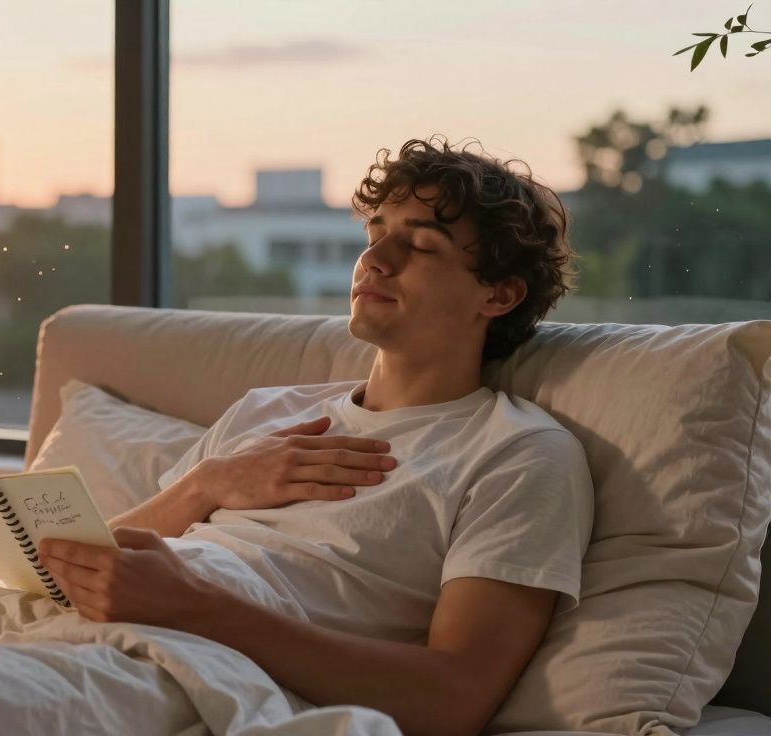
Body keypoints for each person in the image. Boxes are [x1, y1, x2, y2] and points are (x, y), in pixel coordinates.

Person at [39, 136, 594, 736]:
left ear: (499, 293)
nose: (375, 258)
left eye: (420, 243)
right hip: (68, 625)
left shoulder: (517, 454)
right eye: (375, 232)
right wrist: (211, 482)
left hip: (190, 670)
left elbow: (453, 697)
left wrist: (194, 605)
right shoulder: (267, 411)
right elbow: (102, 562)